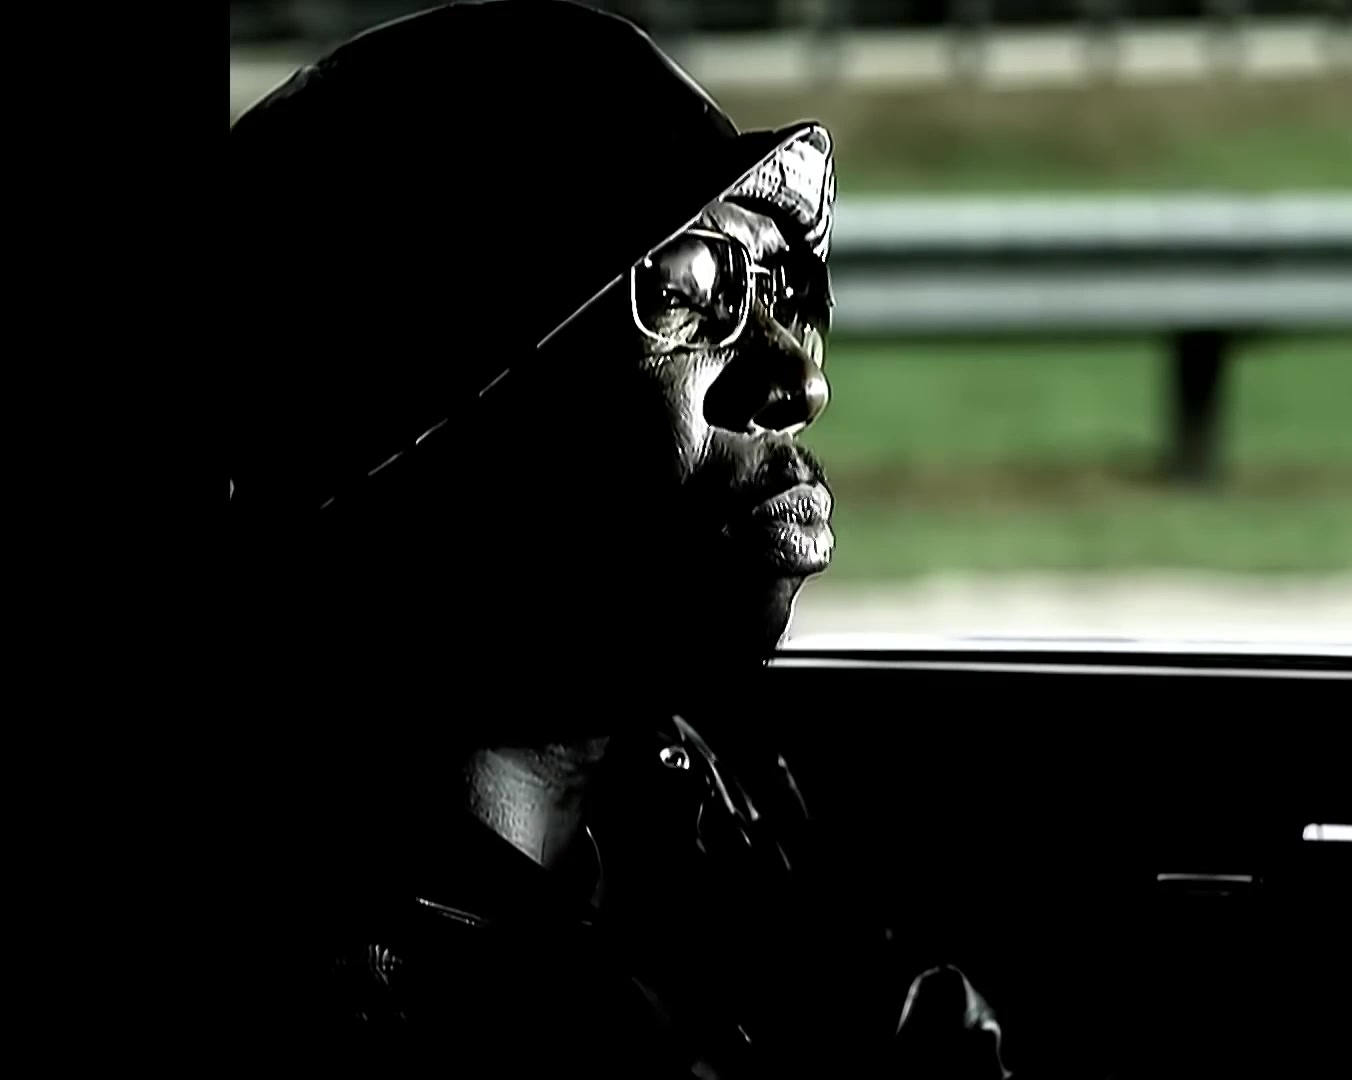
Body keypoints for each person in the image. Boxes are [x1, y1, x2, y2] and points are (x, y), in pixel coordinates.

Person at [223, 2, 1009, 1075]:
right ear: (429, 413)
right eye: (686, 292)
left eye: (777, 288)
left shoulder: (683, 796)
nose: (800, 380)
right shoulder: (344, 991)